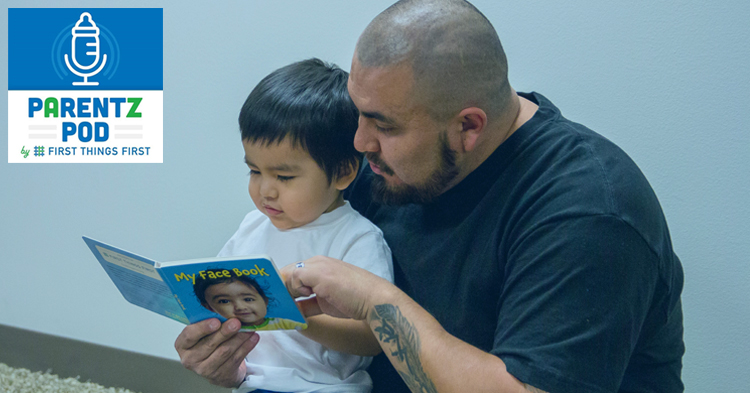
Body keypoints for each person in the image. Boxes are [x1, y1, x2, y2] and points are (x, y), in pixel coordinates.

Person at [178, 1, 685, 392]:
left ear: (468, 127)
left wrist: (379, 302)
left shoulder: (589, 213)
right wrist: (233, 360)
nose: (358, 142)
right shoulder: (382, 161)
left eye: (383, 124)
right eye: (359, 112)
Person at [178, 58, 394, 393]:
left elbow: (373, 338)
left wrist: (294, 315)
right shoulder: (253, 227)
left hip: (323, 388)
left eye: (284, 176)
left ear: (343, 173)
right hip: (252, 382)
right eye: (254, 171)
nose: (266, 189)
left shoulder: (357, 238)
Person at [193, 268, 307, 331]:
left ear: (265, 300)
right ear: (209, 307)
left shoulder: (285, 323)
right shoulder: (217, 329)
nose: (240, 307)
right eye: (224, 301)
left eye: (248, 299)